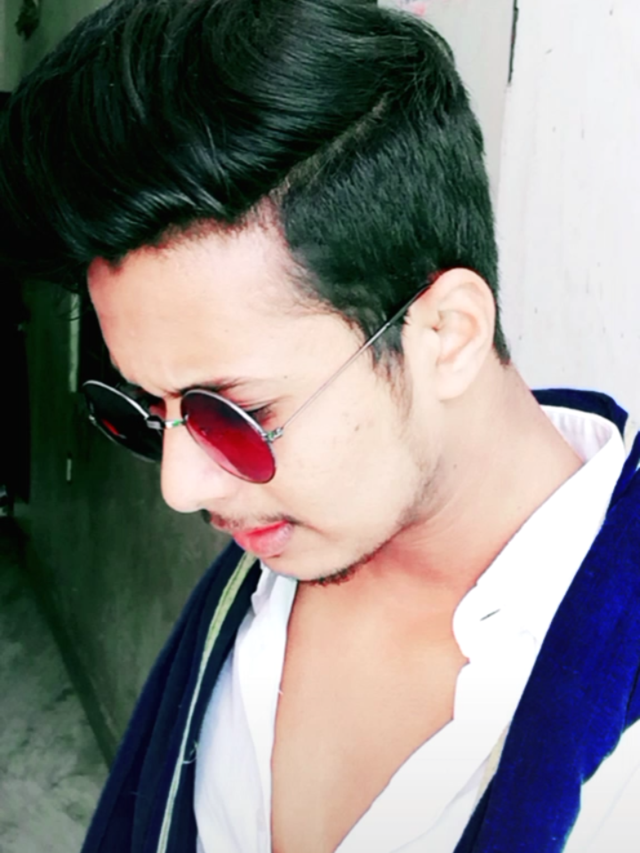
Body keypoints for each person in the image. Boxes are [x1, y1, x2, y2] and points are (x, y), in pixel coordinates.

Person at [1, 1, 639, 852]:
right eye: (148, 410)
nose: (180, 487)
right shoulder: (255, 585)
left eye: (235, 413)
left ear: (446, 335)